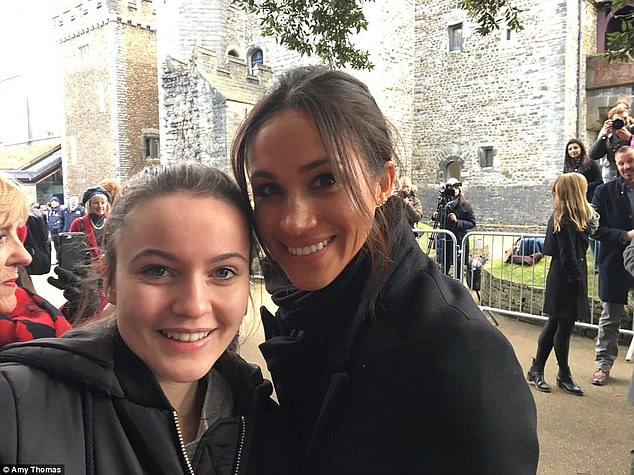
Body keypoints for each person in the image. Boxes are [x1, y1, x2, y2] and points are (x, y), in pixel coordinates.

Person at [231, 66, 538, 474]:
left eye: (325, 180)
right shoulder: (309, 308)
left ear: (383, 182)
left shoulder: (458, 350)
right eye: (269, 189)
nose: (294, 221)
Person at [0, 162, 292, 473]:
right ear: (109, 281)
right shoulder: (14, 409)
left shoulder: (265, 421)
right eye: (157, 270)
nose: (194, 306)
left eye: (223, 272)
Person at [527, 173, 596, 396]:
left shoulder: (570, 218)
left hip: (564, 276)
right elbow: (568, 258)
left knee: (556, 324)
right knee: (561, 327)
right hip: (566, 277)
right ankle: (562, 373)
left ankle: (537, 368)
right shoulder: (563, 221)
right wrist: (578, 282)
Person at [0, 174, 71, 347]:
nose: (25, 257)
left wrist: (82, 311)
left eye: (19, 235)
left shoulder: (32, 313)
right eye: (1, 237)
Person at [590, 145, 634, 385]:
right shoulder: (603, 192)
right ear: (616, 166)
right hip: (614, 263)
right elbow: (594, 229)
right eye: (622, 164)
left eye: (630, 161)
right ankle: (603, 365)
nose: (627, 167)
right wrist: (625, 236)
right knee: (610, 318)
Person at [563, 138, 602, 272]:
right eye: (570, 149)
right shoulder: (567, 167)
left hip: (589, 201)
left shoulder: (590, 163)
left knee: (593, 233)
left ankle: (599, 263)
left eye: (575, 148)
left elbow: (599, 182)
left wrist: (582, 186)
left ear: (581, 149)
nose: (573, 151)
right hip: (574, 204)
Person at [431, 177, 476, 278]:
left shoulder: (465, 204)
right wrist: (435, 216)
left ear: (459, 189)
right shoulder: (443, 203)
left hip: (458, 240)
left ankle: (458, 288)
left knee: (458, 266)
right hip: (445, 239)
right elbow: (439, 218)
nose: (453, 189)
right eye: (451, 187)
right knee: (444, 265)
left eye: (456, 187)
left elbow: (472, 223)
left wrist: (457, 221)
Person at [589, 103, 634, 183]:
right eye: (618, 120)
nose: (622, 122)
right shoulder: (608, 134)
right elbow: (594, 155)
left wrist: (630, 138)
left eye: (624, 118)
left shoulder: (632, 130)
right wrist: (604, 136)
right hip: (613, 177)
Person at [69, 186, 111, 260]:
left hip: (109, 267)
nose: (100, 206)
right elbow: (72, 250)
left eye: (103, 203)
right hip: (86, 268)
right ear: (89, 205)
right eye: (96, 203)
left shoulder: (112, 222)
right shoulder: (78, 223)